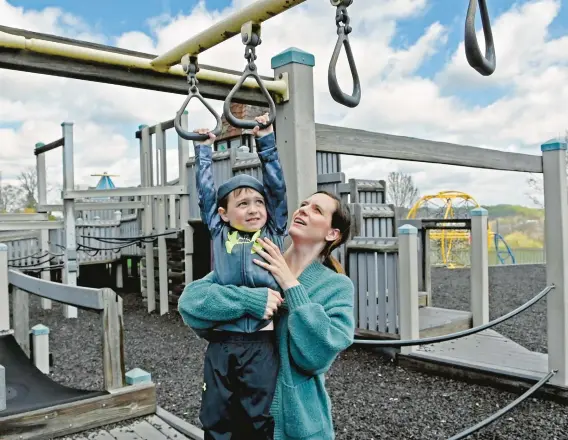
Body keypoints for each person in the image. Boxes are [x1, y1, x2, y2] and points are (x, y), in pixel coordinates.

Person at [179, 190, 355, 440]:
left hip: (295, 427)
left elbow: (317, 356)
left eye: (316, 210)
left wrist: (290, 285)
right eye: (303, 204)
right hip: (237, 414)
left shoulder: (336, 286)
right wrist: (247, 300)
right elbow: (191, 303)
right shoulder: (255, 262)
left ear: (332, 234)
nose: (303, 209)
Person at [190, 113, 288, 440]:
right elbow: (206, 194)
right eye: (242, 203)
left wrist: (267, 142)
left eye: (258, 202)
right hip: (223, 340)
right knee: (216, 413)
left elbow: (275, 188)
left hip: (261, 341)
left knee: (258, 416)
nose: (253, 208)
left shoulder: (272, 232)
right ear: (224, 214)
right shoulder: (221, 233)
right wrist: (204, 151)